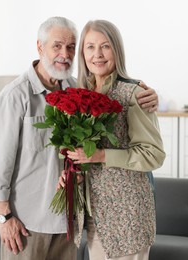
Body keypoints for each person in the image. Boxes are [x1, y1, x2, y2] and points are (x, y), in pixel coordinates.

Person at [0, 16, 159, 260]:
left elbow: (86, 154)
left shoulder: (79, 90)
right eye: (57, 45)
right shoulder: (15, 96)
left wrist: (142, 91)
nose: (64, 53)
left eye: (71, 46)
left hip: (69, 224)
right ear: (40, 47)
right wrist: (4, 217)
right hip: (27, 224)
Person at [63, 20, 166, 260]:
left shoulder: (135, 94)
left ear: (116, 51)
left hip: (127, 217)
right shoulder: (80, 96)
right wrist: (73, 171)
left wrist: (101, 156)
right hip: (94, 215)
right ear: (82, 53)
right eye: (90, 47)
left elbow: (153, 154)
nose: (97, 54)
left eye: (105, 46)